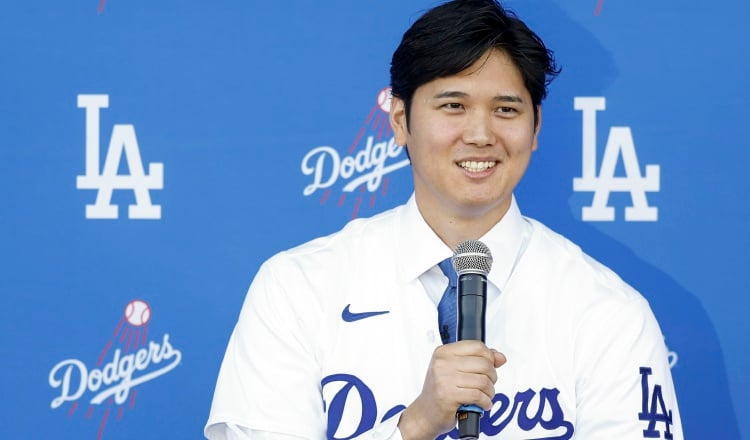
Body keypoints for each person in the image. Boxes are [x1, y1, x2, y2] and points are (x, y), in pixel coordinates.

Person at [205, 0, 682, 438]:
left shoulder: (606, 311)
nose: (480, 134)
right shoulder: (298, 288)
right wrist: (415, 425)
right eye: (453, 105)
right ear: (399, 120)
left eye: (505, 109)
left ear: (535, 126)